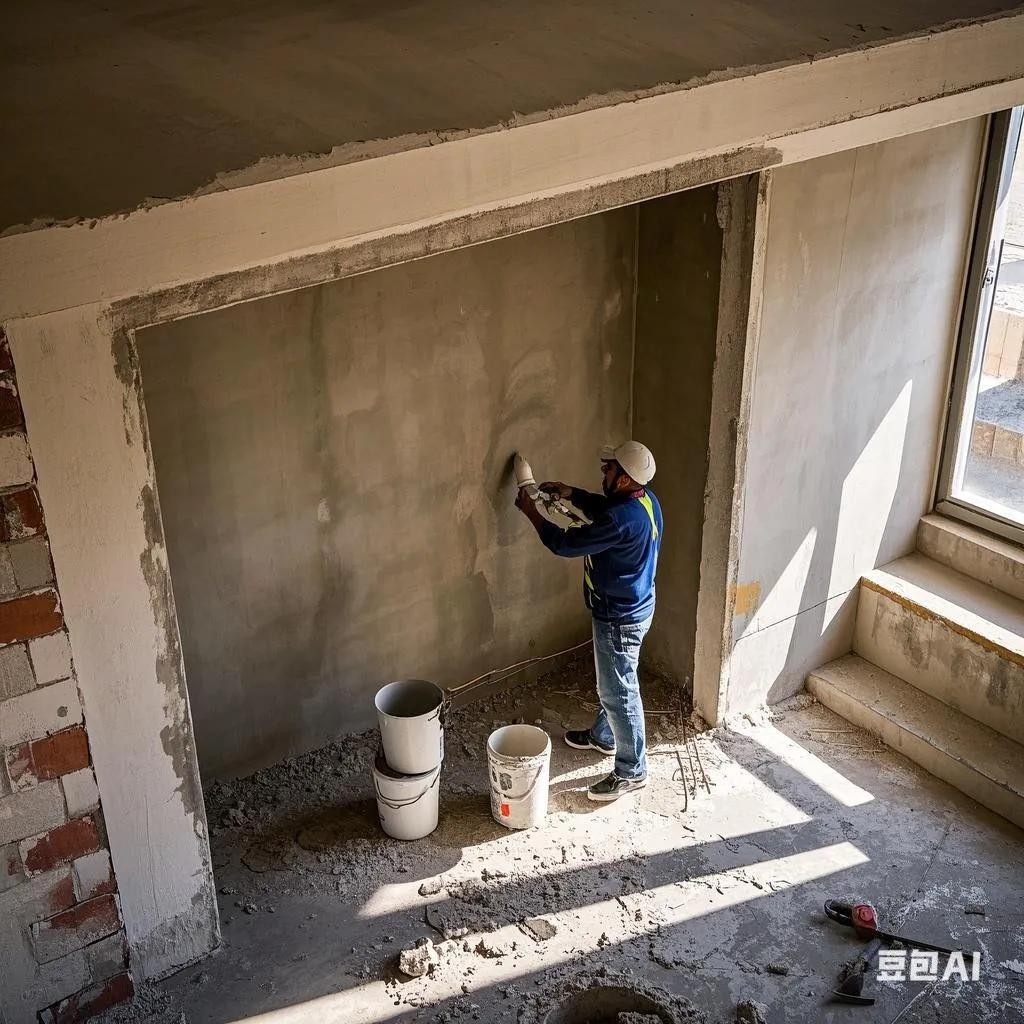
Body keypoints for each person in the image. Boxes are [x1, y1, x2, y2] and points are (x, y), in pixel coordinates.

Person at [515, 441, 662, 801]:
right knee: (615, 682)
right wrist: (572, 494)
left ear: (624, 479)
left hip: (619, 617)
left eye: (609, 468)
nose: (603, 471)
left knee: (619, 691)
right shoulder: (645, 500)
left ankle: (632, 770)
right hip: (637, 605)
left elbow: (565, 544)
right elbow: (607, 509)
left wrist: (533, 513)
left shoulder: (620, 519)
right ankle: (604, 736)